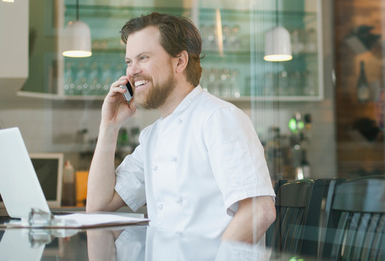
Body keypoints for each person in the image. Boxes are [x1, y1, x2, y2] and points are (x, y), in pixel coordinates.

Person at [86, 13, 276, 243]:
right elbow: (99, 205)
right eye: (129, 62)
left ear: (179, 62)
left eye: (143, 58)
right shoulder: (153, 136)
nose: (131, 71)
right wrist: (109, 126)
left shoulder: (219, 118)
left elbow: (259, 211)